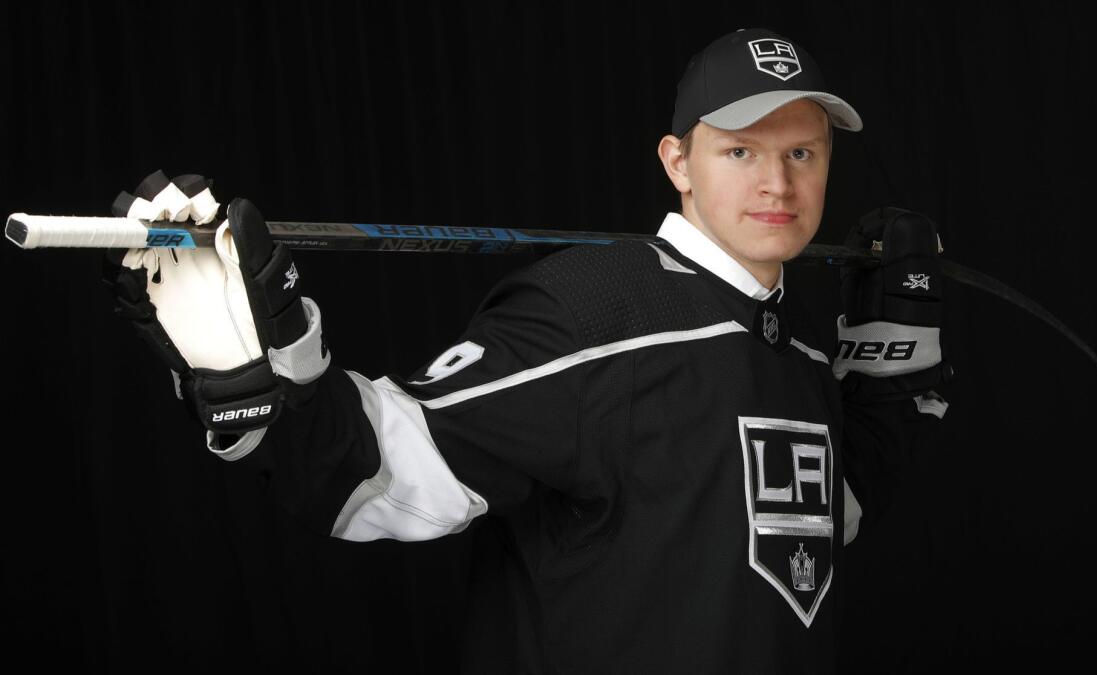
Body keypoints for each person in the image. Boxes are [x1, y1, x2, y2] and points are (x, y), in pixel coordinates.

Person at [103, 27, 950, 674]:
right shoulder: (593, 311)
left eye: (802, 153)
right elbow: (377, 472)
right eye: (741, 151)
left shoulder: (797, 353)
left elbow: (808, 527)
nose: (778, 184)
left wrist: (890, 367)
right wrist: (275, 365)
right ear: (678, 163)